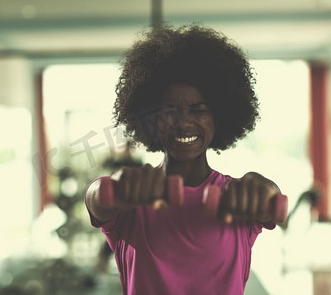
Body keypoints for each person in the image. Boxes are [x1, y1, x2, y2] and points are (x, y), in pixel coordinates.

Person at [85, 24, 283, 295]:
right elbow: (98, 198)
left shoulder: (238, 198)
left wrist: (264, 191)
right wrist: (114, 190)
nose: (183, 122)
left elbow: (271, 202)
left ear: (220, 116)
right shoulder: (131, 198)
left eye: (198, 109)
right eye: (169, 110)